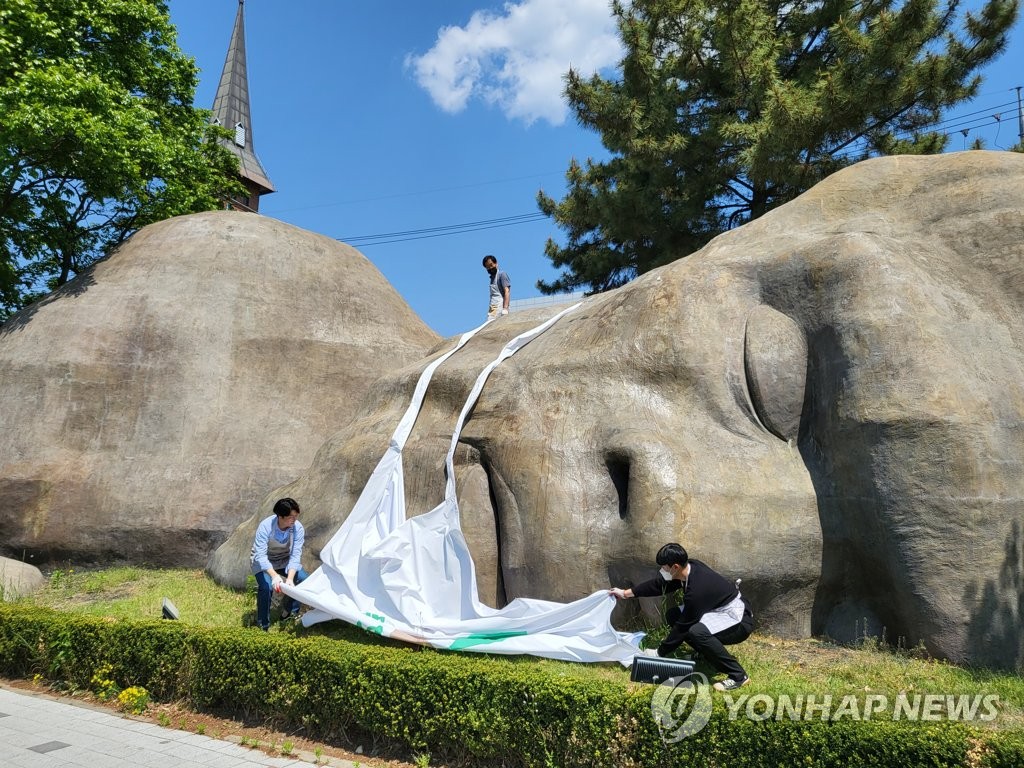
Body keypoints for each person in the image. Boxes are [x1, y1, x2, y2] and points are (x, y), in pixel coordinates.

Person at [610, 543, 754, 691]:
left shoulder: (697, 591)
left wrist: (659, 652)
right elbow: (660, 585)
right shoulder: (689, 568)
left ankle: (738, 675)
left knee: (697, 632)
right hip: (715, 608)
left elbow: (683, 626)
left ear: (675, 567)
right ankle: (708, 655)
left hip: (738, 621)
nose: (661, 570)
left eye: (664, 567)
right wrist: (626, 593)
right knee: (673, 615)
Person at [250, 497, 308, 631]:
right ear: (280, 516)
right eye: (290, 517)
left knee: (303, 580)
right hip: (263, 561)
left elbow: (295, 554)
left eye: (296, 516)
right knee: (266, 588)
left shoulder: (297, 528)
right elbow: (261, 555)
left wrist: (289, 579)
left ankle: (289, 612)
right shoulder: (266, 526)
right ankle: (263, 624)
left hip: (284, 560)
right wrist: (274, 576)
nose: (294, 520)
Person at [483, 254, 511, 319]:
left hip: (500, 307)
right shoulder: (492, 279)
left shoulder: (502, 275)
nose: (490, 268)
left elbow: (507, 291)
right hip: (493, 308)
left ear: (496, 264)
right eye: (487, 267)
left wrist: (505, 308)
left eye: (491, 265)